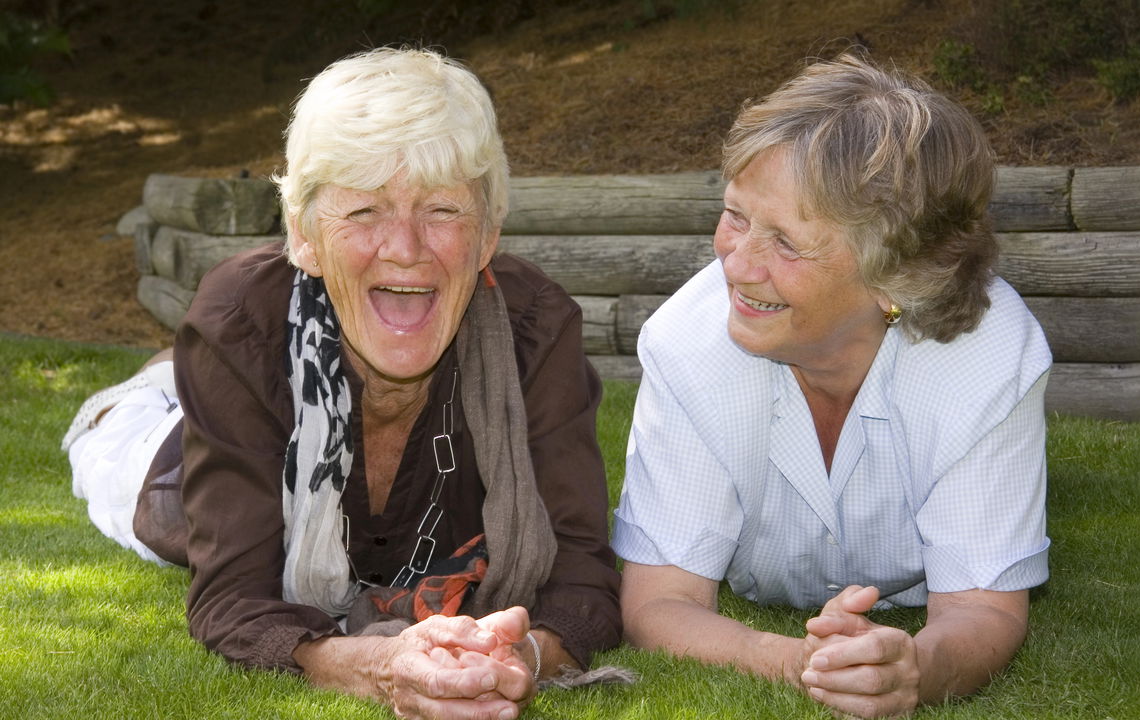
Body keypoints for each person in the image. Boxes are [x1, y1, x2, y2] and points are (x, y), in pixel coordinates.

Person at [64, 47, 621, 720]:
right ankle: (156, 383)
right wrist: (381, 666)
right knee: (109, 441)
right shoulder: (241, 321)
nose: (406, 247)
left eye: (442, 210)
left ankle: (172, 376)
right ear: (303, 236)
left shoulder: (536, 327)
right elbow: (232, 597)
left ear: (487, 236)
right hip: (164, 464)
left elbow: (584, 576)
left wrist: (518, 656)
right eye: (365, 212)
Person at [611, 53, 1052, 718]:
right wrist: (797, 663)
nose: (737, 263)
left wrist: (916, 669)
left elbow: (983, 608)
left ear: (896, 276)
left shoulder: (988, 358)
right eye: (735, 215)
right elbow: (658, 600)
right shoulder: (685, 345)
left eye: (786, 242)